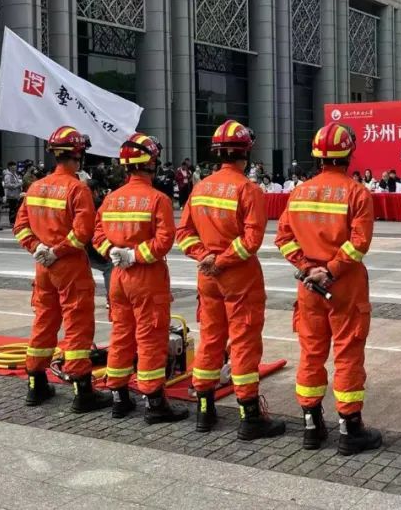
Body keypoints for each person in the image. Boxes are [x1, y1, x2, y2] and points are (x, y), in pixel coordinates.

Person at [274, 122, 382, 455]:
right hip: (344, 285)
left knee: (311, 353)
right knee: (347, 353)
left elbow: (283, 239)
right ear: (349, 153)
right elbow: (358, 244)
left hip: (309, 288)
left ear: (318, 156)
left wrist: (309, 269)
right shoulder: (357, 192)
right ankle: (350, 430)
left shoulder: (299, 192)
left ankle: (311, 425)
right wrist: (331, 270)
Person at [175, 120, 285, 440]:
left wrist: (204, 258)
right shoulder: (248, 190)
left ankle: (205, 411)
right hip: (238, 277)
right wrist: (222, 260)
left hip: (207, 277)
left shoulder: (200, 187)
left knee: (210, 339)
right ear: (245, 154)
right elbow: (251, 241)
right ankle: (249, 416)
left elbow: (184, 234)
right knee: (244, 343)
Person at [13, 126, 111, 413]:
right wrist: (57, 250)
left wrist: (38, 249)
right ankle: (83, 390)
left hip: (44, 268)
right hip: (69, 266)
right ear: (78, 154)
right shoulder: (77, 189)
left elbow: (19, 227)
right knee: (78, 325)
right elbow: (83, 233)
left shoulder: (35, 187)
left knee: (44, 321)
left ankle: (36, 383)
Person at [93, 133, 187, 423]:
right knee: (150, 338)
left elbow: (96, 234)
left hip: (118, 278)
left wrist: (114, 252)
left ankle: (119, 397)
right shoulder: (157, 199)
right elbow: (164, 241)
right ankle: (154, 402)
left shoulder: (111, 199)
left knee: (121, 335)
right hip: (146, 278)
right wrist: (135, 255)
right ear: (151, 163)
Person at [2, 161, 23, 228]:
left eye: (15, 165)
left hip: (16, 195)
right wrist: (18, 185)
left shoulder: (15, 174)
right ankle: (12, 222)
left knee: (16, 209)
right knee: (12, 210)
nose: (15, 167)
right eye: (13, 166)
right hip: (12, 195)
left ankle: (15, 222)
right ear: (10, 167)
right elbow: (7, 185)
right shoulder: (8, 175)